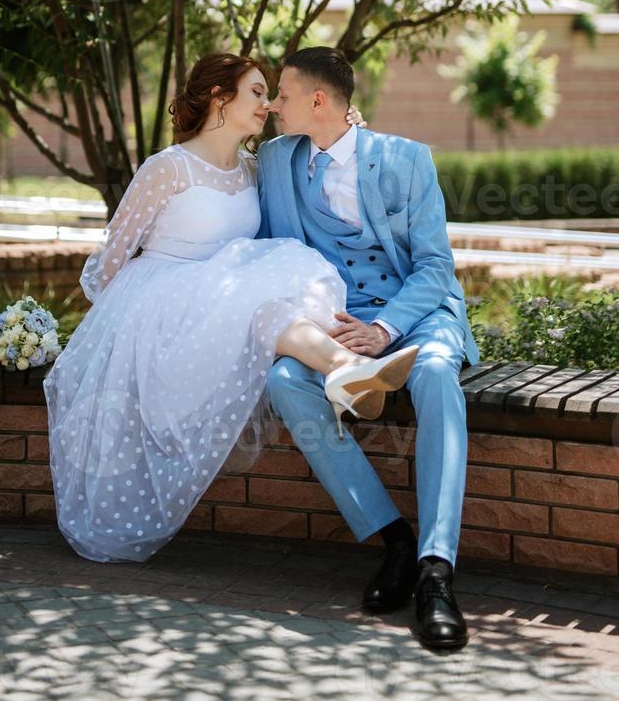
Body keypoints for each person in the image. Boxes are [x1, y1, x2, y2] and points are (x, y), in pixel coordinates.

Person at [42, 53, 418, 566]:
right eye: (258, 92)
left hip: (221, 296)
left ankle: (350, 371)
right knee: (263, 305)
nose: (268, 103)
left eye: (270, 94)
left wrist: (346, 122)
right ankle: (351, 371)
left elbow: (317, 143)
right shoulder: (166, 167)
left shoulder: (252, 166)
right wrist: (122, 330)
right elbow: (107, 264)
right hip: (164, 303)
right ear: (221, 98)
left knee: (284, 282)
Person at [257, 47, 480, 651]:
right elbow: (262, 251)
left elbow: (435, 266)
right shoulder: (275, 162)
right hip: (333, 324)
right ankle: (394, 541)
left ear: (319, 100)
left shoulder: (408, 160)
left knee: (435, 375)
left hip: (415, 315)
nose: (274, 104)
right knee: (283, 380)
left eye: (282, 93)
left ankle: (437, 570)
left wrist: (385, 331)